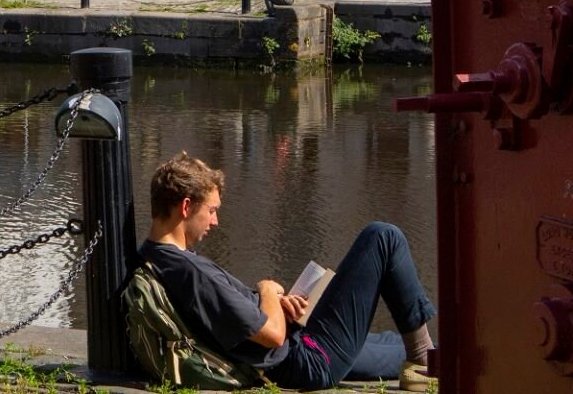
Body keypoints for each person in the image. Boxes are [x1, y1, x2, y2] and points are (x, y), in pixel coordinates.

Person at [141, 152, 436, 392]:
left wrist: (278, 307)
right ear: (186, 206)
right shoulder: (190, 272)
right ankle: (422, 360)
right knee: (383, 237)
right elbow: (272, 336)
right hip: (306, 360)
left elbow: (239, 323)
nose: (215, 222)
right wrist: (269, 290)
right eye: (212, 210)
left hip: (300, 347)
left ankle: (429, 359)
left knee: (392, 344)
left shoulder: (155, 256)